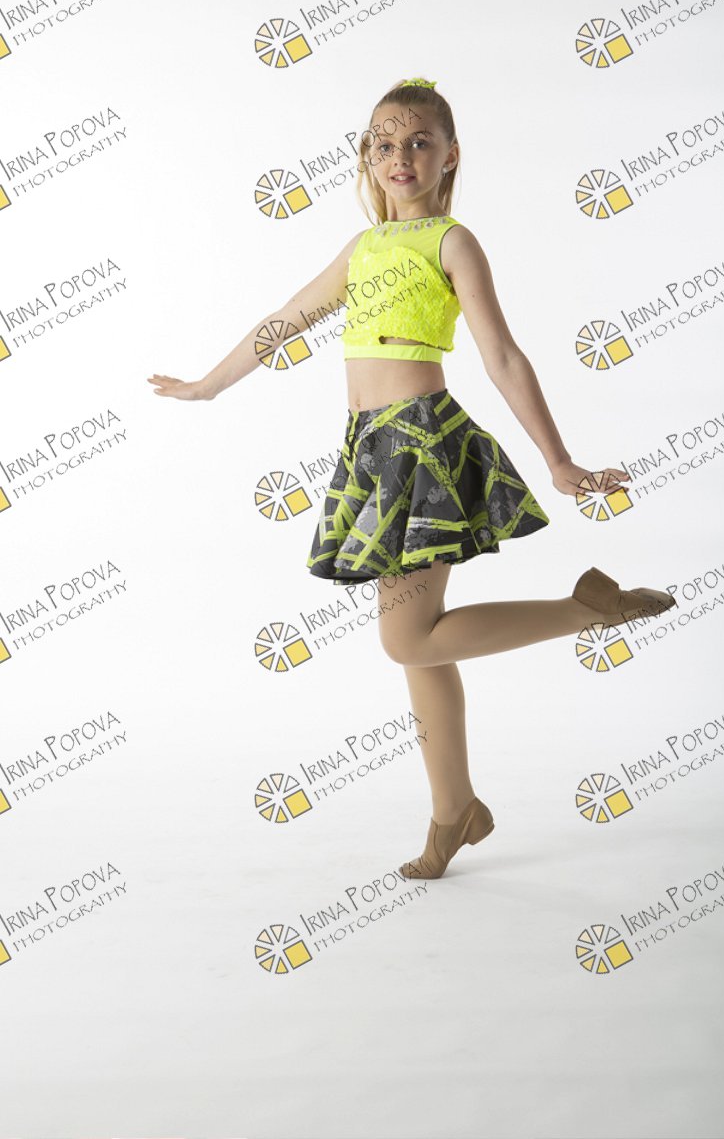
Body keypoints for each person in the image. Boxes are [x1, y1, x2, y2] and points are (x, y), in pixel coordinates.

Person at [149, 76, 676, 882]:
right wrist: (207, 385)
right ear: (367, 155)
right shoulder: (363, 248)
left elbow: (503, 356)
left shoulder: (452, 243)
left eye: (420, 142)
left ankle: (587, 611)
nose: (401, 156)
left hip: (423, 447)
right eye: (385, 143)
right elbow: (284, 321)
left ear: (450, 155)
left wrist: (559, 460)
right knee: (420, 650)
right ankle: (454, 810)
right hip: (371, 453)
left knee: (405, 639)